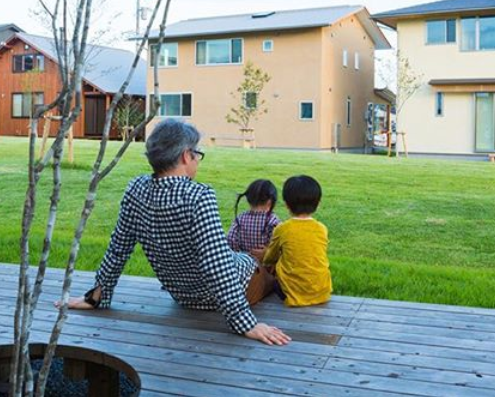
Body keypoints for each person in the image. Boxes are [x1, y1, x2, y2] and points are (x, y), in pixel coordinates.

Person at [58, 119, 290, 346]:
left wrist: (96, 296)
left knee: (251, 259)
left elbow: (119, 247)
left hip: (184, 296)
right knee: (274, 273)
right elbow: (217, 266)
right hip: (242, 283)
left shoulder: (136, 189)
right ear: (185, 155)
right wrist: (246, 324)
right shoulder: (199, 196)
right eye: (197, 154)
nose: (197, 160)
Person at [262, 175, 332, 307]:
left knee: (272, 279)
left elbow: (270, 258)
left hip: (290, 293)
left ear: (287, 204)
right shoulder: (322, 229)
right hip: (322, 292)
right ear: (318, 203)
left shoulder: (282, 229)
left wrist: (266, 262)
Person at [227, 179, 281, 262]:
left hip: (244, 267)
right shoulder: (273, 221)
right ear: (270, 201)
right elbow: (280, 248)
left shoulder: (240, 219)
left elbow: (231, 240)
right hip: (266, 270)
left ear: (248, 199)